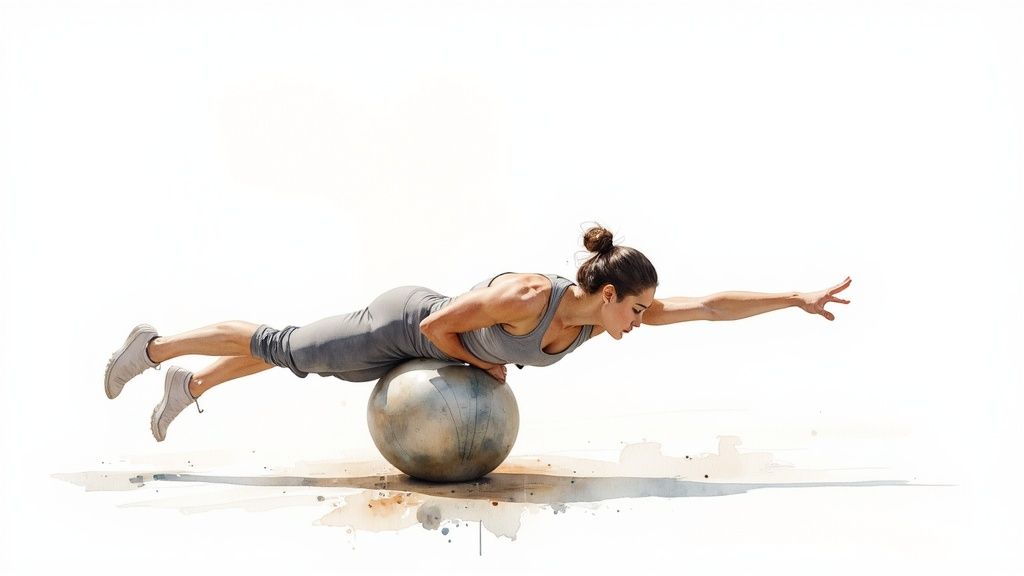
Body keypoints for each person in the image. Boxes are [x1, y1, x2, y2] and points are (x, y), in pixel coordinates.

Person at [104, 225, 852, 442]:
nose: (643, 320)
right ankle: (155, 347)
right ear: (610, 292)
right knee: (282, 343)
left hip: (431, 348)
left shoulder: (608, 318)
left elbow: (712, 306)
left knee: (292, 360)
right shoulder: (529, 296)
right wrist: (487, 370)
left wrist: (793, 296)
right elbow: (433, 323)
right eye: (637, 308)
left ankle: (189, 385)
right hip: (402, 324)